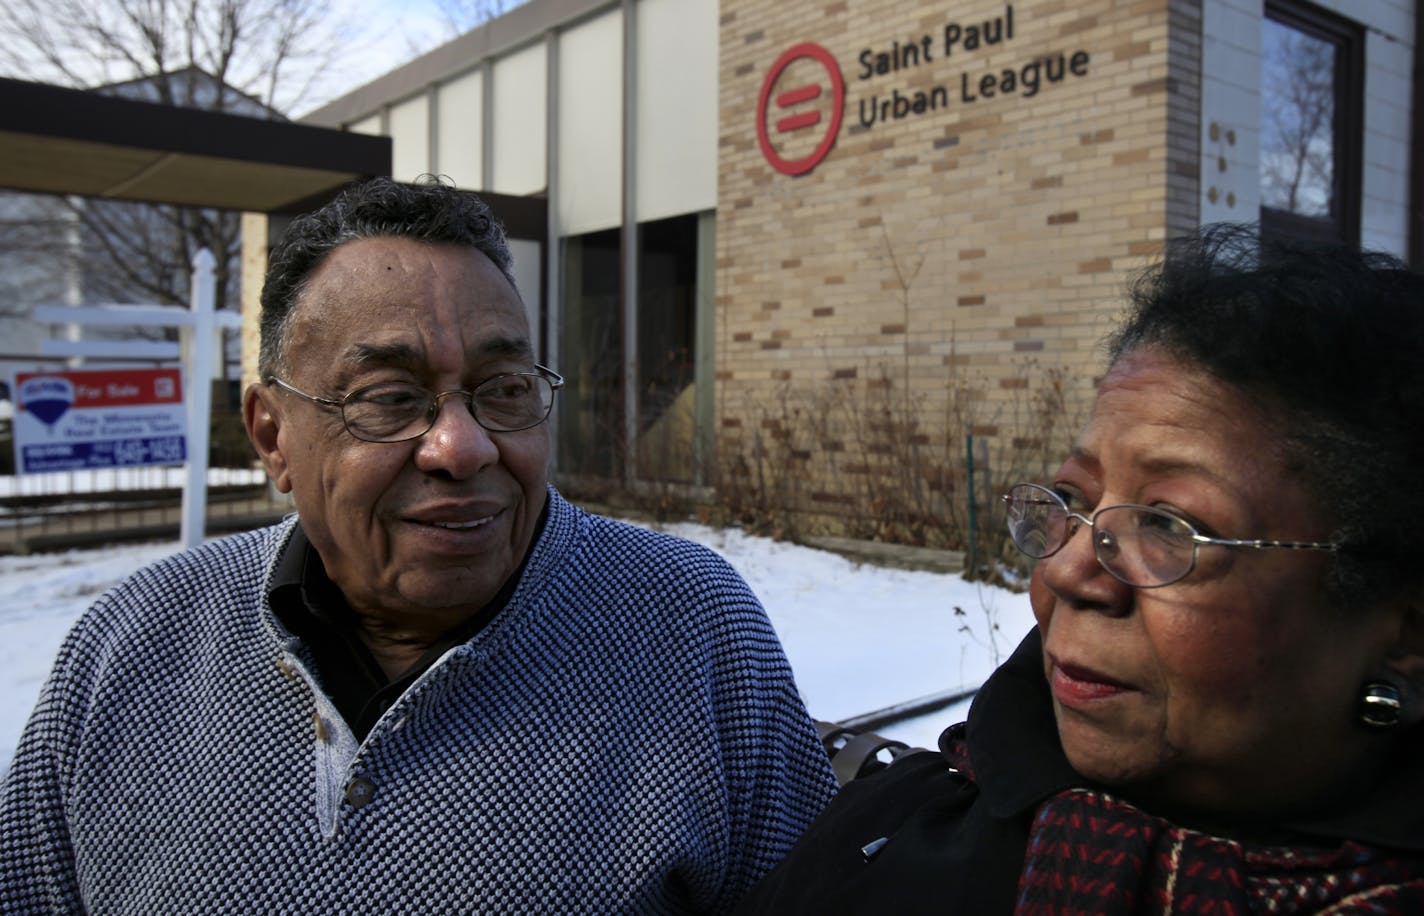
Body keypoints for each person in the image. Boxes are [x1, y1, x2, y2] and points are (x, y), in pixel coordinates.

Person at [0, 176, 837, 914]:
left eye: (503, 389)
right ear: (272, 436)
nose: (461, 447)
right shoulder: (129, 646)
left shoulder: (691, 628)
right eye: (390, 397)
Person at [736, 223, 1424, 913]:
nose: (1066, 571)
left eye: (1168, 524)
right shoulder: (891, 831)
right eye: (1073, 500)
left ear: (1406, 629)